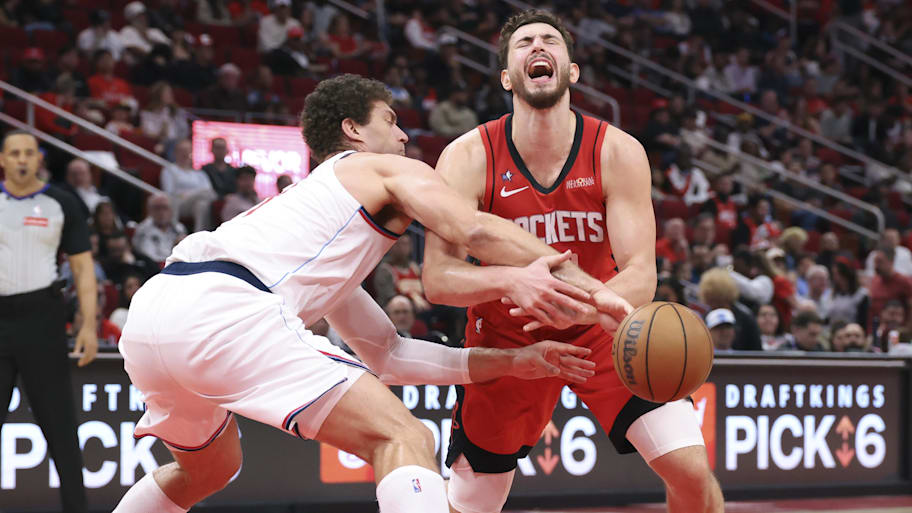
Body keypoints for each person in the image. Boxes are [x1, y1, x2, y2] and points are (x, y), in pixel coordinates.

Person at [112, 74, 622, 513]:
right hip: (226, 306)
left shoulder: (315, 228)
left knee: (207, 471)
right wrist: (593, 292)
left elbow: (389, 356)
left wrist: (513, 362)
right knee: (405, 438)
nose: (403, 135)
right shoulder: (378, 168)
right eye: (390, 120)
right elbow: (472, 229)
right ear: (354, 131)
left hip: (156, 312)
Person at [422, 11, 722, 513]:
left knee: (691, 473)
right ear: (506, 77)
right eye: (524, 43)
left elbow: (641, 274)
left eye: (550, 40)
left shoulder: (617, 151)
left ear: (572, 70)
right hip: (508, 335)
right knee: (472, 503)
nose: (538, 46)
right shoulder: (468, 156)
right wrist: (514, 283)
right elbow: (437, 278)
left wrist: (582, 309)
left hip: (602, 329)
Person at [0, 131, 98, 513]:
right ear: (3, 159)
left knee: (60, 428)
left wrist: (88, 324)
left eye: (29, 153)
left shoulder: (62, 203)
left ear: (39, 158)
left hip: (42, 319)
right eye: (14, 153)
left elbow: (83, 268)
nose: (22, 159)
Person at [161, 139, 217, 233]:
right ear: (175, 153)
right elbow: (169, 192)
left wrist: (191, 194)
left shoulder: (200, 174)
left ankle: (198, 234)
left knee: (202, 204)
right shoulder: (169, 170)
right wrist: (187, 195)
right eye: (182, 150)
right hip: (178, 203)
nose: (185, 154)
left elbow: (209, 193)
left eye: (187, 151)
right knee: (206, 194)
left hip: (194, 203)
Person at [132, 194, 187, 264]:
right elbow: (150, 258)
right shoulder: (143, 230)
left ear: (171, 210)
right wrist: (174, 250)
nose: (161, 212)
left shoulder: (179, 228)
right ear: (149, 211)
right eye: (157, 208)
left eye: (165, 208)